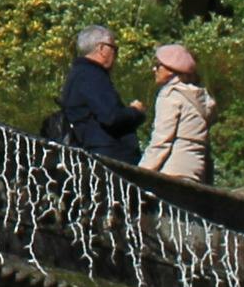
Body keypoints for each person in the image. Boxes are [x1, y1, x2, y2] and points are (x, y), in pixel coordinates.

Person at [53, 24, 144, 163]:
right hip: (109, 159)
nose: (116, 55)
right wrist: (135, 112)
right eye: (114, 49)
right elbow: (111, 117)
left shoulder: (78, 74)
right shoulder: (91, 75)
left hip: (94, 155)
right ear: (102, 49)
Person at [139, 42, 217, 183]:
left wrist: (140, 174)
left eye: (158, 66)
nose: (154, 69)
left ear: (170, 70)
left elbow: (161, 142)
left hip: (171, 173)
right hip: (196, 172)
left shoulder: (170, 96)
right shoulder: (201, 98)